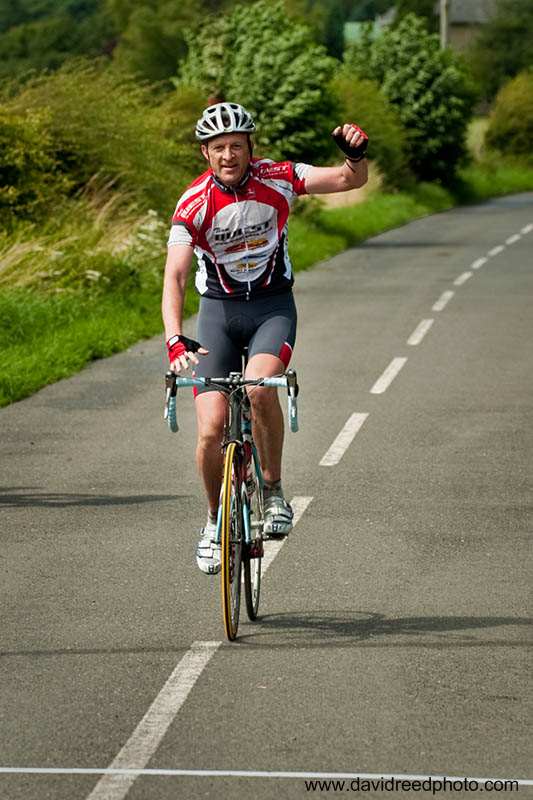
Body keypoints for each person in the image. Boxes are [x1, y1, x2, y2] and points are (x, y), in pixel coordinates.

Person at [162, 101, 368, 574]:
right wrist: (175, 339)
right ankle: (214, 522)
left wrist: (354, 156)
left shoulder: (278, 177)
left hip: (272, 308)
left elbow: (347, 180)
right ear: (205, 155)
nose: (229, 155)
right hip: (218, 313)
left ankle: (273, 491)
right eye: (219, 148)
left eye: (237, 146)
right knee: (211, 428)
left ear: (250, 148)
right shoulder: (192, 203)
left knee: (259, 388)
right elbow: (174, 277)